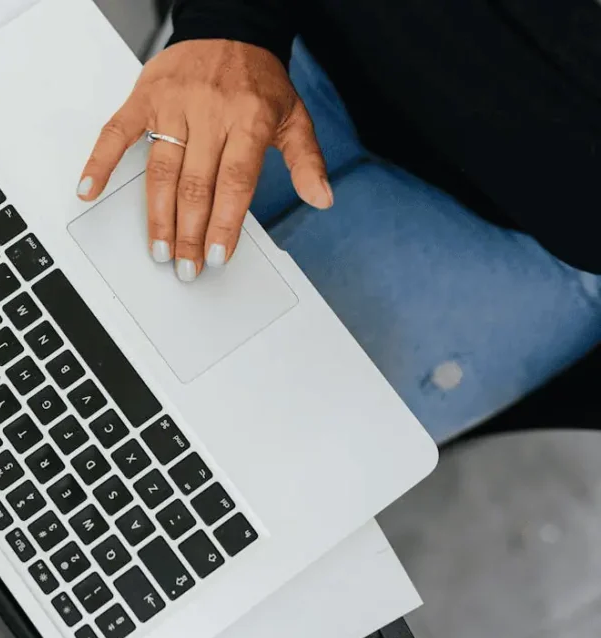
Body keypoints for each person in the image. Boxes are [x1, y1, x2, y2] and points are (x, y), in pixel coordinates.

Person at [76, 0, 601, 445]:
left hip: (537, 242)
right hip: (289, 36)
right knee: (44, 284)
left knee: (211, 468)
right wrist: (226, 23)